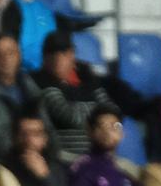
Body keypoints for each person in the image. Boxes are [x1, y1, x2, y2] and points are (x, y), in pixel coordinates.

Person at [35, 31, 127, 163]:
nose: (58, 60)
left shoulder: (87, 78)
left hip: (100, 154)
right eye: (53, 55)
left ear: (72, 55)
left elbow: (111, 111)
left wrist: (85, 108)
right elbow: (70, 115)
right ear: (44, 58)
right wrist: (95, 110)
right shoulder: (42, 83)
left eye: (64, 54)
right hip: (66, 158)